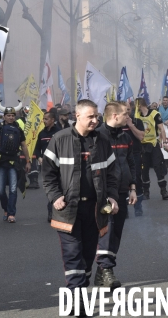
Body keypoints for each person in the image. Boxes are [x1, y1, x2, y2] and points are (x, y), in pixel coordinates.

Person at [42, 99, 119, 314]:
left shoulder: (102, 141)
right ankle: (78, 304)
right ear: (77, 116)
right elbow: (47, 174)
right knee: (73, 256)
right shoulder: (59, 139)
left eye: (97, 116)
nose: (95, 120)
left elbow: (112, 173)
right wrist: (55, 196)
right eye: (91, 117)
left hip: (94, 212)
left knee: (86, 259)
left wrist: (112, 197)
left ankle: (80, 295)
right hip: (67, 211)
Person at [95, 101, 137, 288]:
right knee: (107, 230)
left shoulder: (125, 137)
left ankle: (102, 271)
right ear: (114, 116)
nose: (128, 117)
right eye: (125, 114)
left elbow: (131, 162)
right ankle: (107, 269)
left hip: (121, 190)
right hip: (103, 193)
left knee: (116, 233)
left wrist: (133, 187)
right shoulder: (98, 137)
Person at [0, 106, 30, 223]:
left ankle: (11, 214)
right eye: (8, 115)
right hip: (2, 163)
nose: (11, 117)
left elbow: (24, 146)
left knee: (13, 189)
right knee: (1, 190)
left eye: (13, 115)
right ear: (4, 117)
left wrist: (28, 162)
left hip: (14, 163)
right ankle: (6, 210)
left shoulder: (19, 130)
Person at [137, 98, 168, 200]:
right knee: (144, 169)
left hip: (153, 144)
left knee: (158, 166)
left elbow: (161, 129)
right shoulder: (137, 116)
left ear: (140, 105)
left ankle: (163, 190)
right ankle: (146, 191)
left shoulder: (154, 114)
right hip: (142, 145)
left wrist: (164, 142)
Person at [35, 112, 61, 221]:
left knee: (60, 187)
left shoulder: (59, 132)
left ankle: (59, 211)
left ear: (52, 120)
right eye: (43, 119)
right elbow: (37, 149)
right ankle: (51, 211)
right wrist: (39, 158)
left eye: (46, 119)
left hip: (59, 165)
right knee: (50, 188)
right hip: (46, 166)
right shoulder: (41, 134)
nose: (44, 121)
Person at [125, 102, 145, 216]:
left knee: (136, 179)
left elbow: (141, 137)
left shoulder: (137, 122)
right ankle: (124, 208)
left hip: (135, 154)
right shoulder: (117, 124)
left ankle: (138, 207)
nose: (127, 112)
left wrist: (130, 125)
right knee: (122, 181)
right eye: (124, 110)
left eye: (128, 109)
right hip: (121, 156)